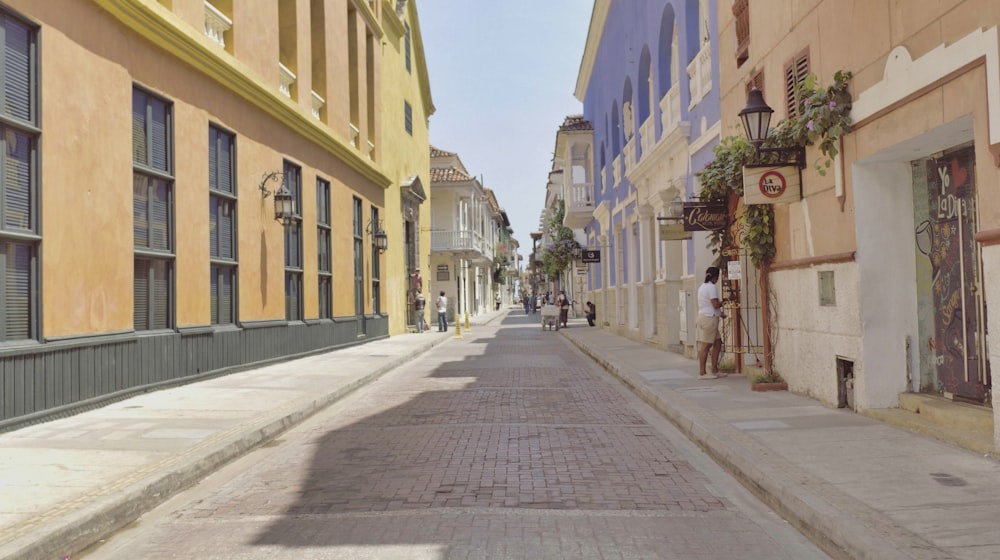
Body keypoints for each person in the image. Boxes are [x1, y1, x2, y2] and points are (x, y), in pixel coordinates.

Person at [696, 266, 727, 379]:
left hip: (706, 317)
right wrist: (725, 301)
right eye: (717, 277)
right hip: (709, 319)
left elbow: (708, 305)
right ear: (715, 277)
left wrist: (720, 314)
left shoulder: (702, 287)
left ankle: (714, 370)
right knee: (706, 345)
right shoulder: (711, 287)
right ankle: (702, 373)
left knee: (718, 342)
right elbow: (715, 304)